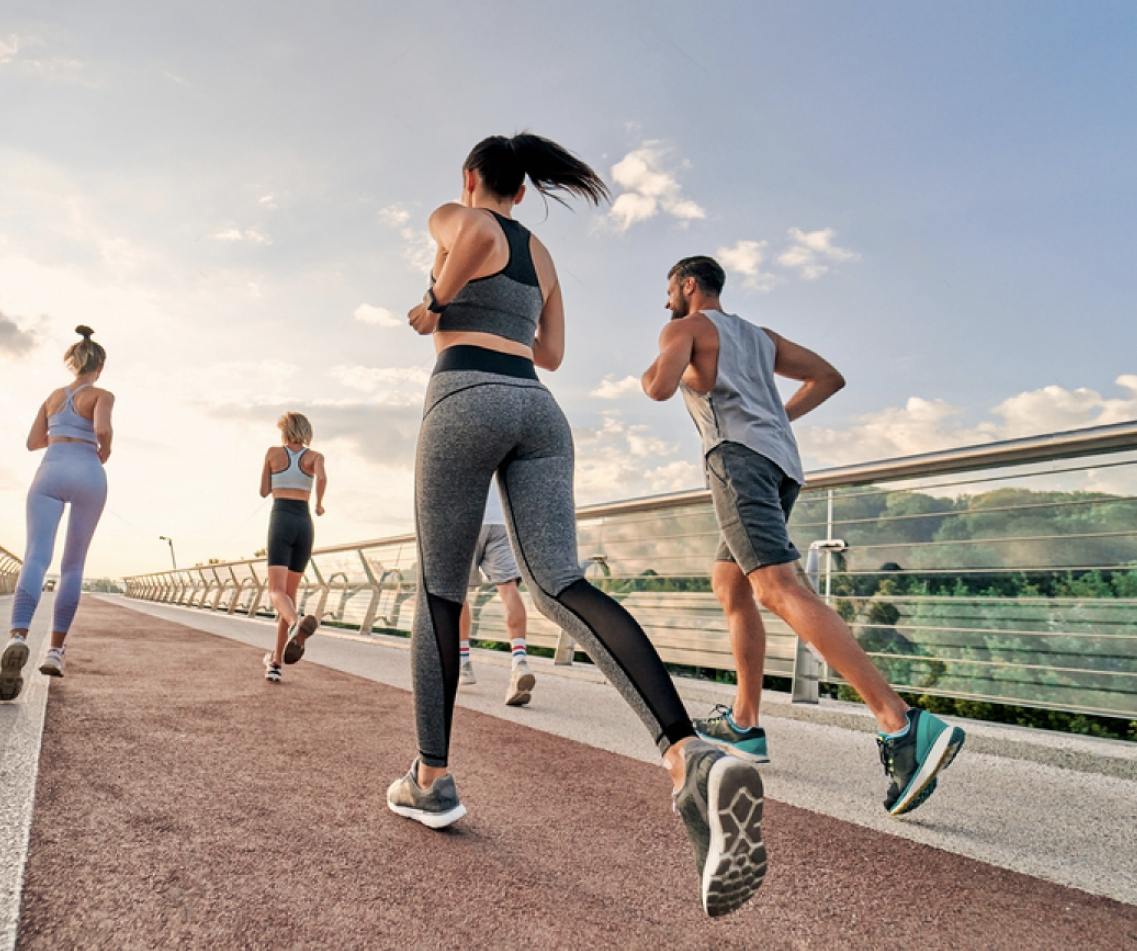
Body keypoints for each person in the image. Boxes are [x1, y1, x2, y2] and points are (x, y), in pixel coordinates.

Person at [386, 133, 766, 918]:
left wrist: (432, 305)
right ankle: (687, 753)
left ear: (472, 179)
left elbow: (459, 258)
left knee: (439, 592)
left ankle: (430, 779)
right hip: (538, 409)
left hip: (465, 396)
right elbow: (551, 352)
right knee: (561, 582)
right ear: (525, 190)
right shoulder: (545, 256)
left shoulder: (458, 215)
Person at [639, 255, 964, 816]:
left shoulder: (684, 327)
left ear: (688, 285)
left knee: (777, 587)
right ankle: (744, 722)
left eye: (669, 288)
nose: (665, 298)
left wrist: (663, 361)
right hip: (780, 464)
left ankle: (902, 723)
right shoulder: (760, 337)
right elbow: (828, 377)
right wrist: (776, 417)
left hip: (736, 462)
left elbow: (657, 389)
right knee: (732, 584)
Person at [0, 326, 114, 701]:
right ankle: (56, 651)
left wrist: (60, 431)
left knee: (35, 557)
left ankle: (18, 635)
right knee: (73, 566)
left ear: (73, 363)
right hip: (87, 470)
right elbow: (103, 430)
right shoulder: (102, 395)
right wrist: (103, 449)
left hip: (50, 468)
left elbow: (33, 442)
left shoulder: (52, 396)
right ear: (101, 366)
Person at [457, 478, 535, 707]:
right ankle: (519, 661)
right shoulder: (502, 442)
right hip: (501, 522)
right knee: (508, 589)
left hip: (467, 520)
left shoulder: (457, 443)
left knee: (457, 592)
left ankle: (463, 664)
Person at [258, 411, 324, 682]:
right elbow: (321, 478)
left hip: (282, 517)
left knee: (275, 591)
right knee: (289, 597)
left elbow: (263, 491)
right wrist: (319, 503)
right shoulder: (315, 457)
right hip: (305, 522)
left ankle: (297, 624)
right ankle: (275, 661)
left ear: (285, 431)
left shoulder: (273, 453)